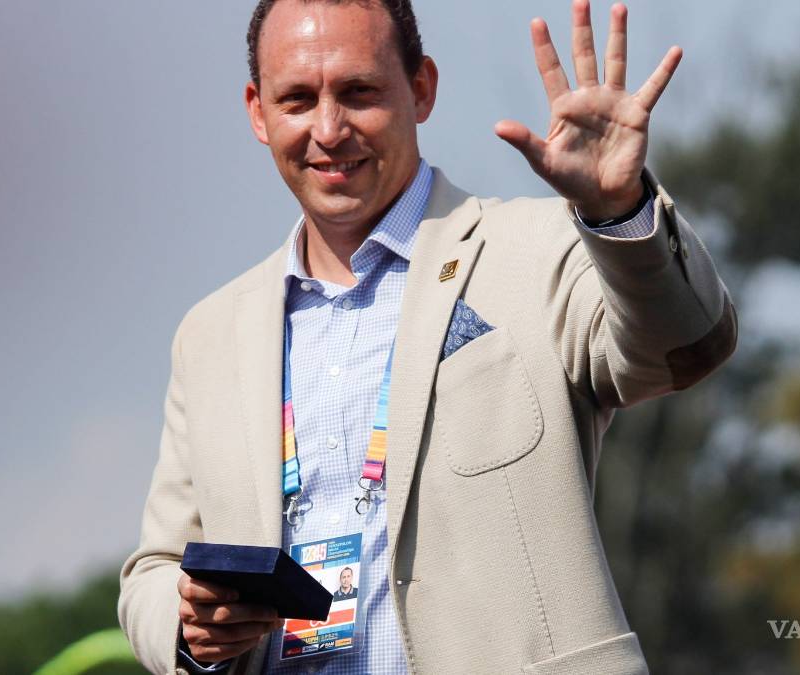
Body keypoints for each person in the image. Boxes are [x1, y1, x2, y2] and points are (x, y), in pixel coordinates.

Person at [118, 0, 737, 673]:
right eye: (297, 100)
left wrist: (619, 211)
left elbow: (684, 347)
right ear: (257, 112)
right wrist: (188, 623)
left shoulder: (536, 248)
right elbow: (156, 567)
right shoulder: (211, 335)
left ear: (421, 89)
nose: (328, 129)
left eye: (359, 92)